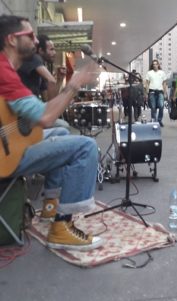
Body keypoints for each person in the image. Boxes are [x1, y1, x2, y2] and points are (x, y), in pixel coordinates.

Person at [0, 14, 104, 251]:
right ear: (11, 40)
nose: (36, 40)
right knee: (85, 146)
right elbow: (47, 117)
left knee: (64, 136)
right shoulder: (4, 73)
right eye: (29, 35)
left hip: (11, 145)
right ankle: (61, 228)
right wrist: (73, 85)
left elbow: (37, 113)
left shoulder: (7, 69)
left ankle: (50, 206)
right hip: (4, 159)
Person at [18, 34, 66, 101]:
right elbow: (51, 81)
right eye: (51, 49)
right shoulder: (35, 58)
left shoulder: (39, 69)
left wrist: (60, 80)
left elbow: (47, 98)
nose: (54, 53)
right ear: (41, 50)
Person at [145, 59, 167, 127]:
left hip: (160, 92)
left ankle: (159, 120)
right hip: (152, 92)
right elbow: (147, 83)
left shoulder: (162, 72)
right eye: (153, 64)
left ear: (158, 65)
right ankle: (154, 120)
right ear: (152, 65)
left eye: (156, 64)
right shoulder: (149, 73)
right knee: (153, 107)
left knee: (161, 106)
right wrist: (146, 93)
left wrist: (165, 92)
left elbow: (164, 83)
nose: (155, 65)